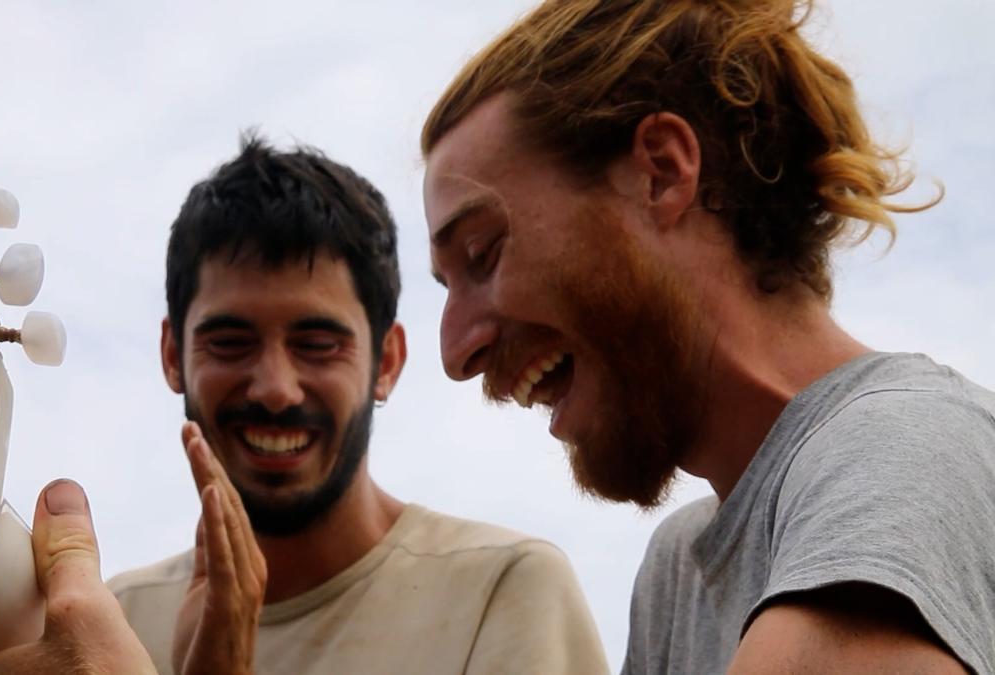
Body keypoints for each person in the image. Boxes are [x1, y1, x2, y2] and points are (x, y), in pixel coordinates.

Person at [418, 0, 993, 673]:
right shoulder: (676, 570)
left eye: (484, 252)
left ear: (660, 172)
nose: (456, 351)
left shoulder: (901, 452)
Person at [0, 136, 608, 675]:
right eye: (230, 340)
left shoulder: (507, 590)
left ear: (388, 361)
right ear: (170, 354)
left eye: (317, 342)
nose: (275, 386)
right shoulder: (99, 629)